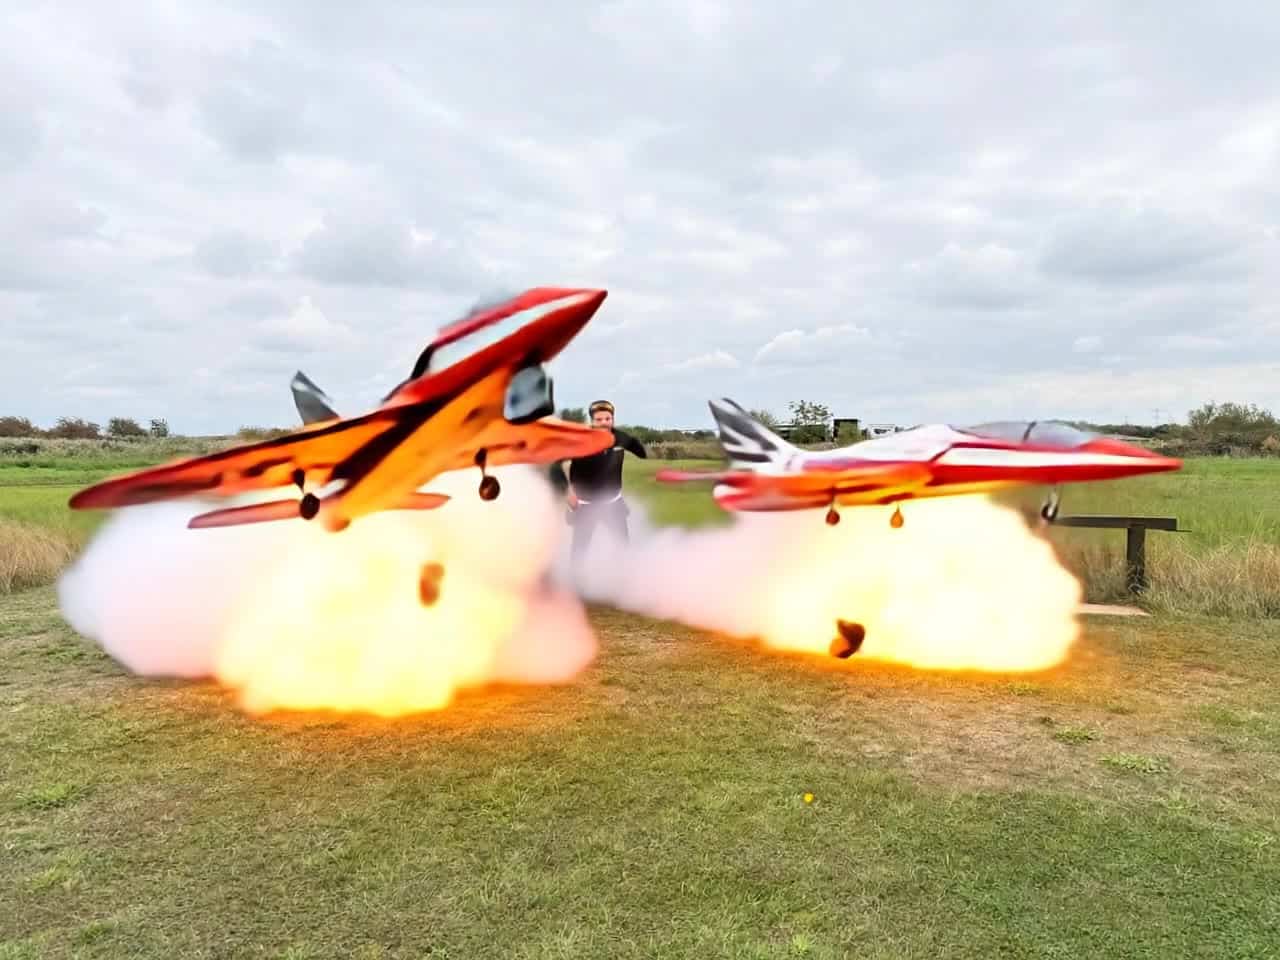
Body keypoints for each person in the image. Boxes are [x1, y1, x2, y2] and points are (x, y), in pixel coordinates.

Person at [549, 399, 647, 567]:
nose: (603, 423)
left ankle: (625, 580)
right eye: (599, 419)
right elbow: (555, 466)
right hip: (584, 505)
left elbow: (638, 448)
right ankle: (576, 584)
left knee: (622, 546)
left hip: (613, 503)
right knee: (580, 549)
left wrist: (641, 450)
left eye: (607, 419)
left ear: (612, 419)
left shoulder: (619, 437)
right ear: (592, 421)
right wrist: (568, 493)